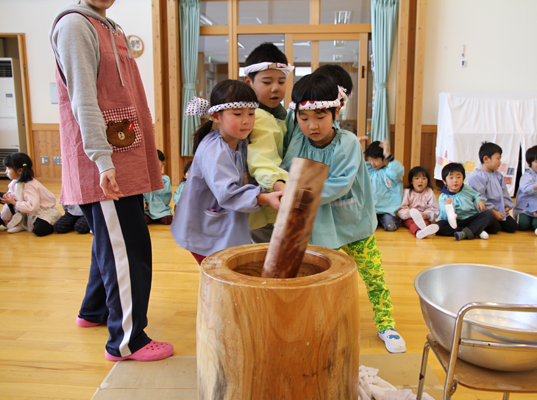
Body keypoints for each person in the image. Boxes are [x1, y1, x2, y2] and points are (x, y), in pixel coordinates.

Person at [50, 0, 173, 361]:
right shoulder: (75, 25)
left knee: (111, 240)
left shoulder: (109, 25)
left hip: (121, 156)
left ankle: (94, 311)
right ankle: (127, 341)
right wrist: (102, 160)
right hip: (103, 164)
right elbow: (83, 99)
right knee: (129, 249)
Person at [282, 73, 406, 353]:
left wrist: (294, 195)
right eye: (303, 117)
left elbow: (338, 184)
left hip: (354, 223)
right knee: (321, 278)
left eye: (320, 116)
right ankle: (320, 325)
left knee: (373, 274)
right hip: (318, 227)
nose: (311, 125)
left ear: (336, 112)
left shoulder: (347, 142)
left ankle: (386, 324)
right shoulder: (299, 141)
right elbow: (288, 169)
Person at [171, 80, 282, 265]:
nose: (246, 120)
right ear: (216, 116)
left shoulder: (240, 141)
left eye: (251, 114)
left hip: (222, 225)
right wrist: (265, 198)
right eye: (237, 114)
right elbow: (228, 193)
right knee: (219, 277)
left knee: (227, 273)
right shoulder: (214, 150)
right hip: (205, 231)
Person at [243, 43, 293, 243]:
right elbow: (260, 160)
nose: (276, 88)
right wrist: (280, 185)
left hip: (263, 203)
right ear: (249, 81)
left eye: (281, 81)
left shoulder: (276, 115)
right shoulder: (260, 117)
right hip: (264, 204)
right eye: (267, 82)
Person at [0, 153, 61, 236]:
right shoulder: (14, 183)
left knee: (39, 230)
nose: (6, 171)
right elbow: (10, 203)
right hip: (21, 210)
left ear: (20, 171)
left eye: (8, 168)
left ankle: (20, 223)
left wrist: (14, 203)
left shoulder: (30, 185)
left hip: (39, 211)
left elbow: (33, 207)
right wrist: (5, 216)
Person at [437, 163, 500, 241]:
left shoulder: (467, 189)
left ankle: (469, 231)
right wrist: (447, 207)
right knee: (438, 226)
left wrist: (479, 200)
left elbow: (476, 195)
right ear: (444, 181)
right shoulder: (443, 197)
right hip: (457, 223)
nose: (455, 180)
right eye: (451, 178)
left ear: (463, 179)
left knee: (490, 216)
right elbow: (444, 217)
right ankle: (474, 231)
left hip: (471, 218)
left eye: (458, 177)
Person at [467, 142, 517, 233]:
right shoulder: (477, 176)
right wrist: (493, 212)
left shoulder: (498, 176)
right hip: (486, 211)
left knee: (512, 226)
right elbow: (480, 198)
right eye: (497, 158)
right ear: (486, 159)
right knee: (494, 228)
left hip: (500, 210)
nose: (500, 162)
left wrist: (506, 207)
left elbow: (505, 193)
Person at [365, 140, 404, 232]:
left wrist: (388, 155)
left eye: (375, 160)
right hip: (370, 209)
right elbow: (354, 164)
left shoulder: (389, 171)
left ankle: (384, 221)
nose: (372, 163)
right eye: (370, 159)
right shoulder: (368, 169)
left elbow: (398, 171)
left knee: (391, 227)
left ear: (384, 159)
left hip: (387, 210)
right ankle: (376, 221)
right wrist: (355, 149)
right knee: (364, 227)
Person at [397, 166, 440, 239]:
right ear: (411, 181)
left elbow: (434, 208)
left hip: (424, 218)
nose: (421, 181)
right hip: (409, 218)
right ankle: (418, 232)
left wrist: (427, 215)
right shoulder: (408, 192)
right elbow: (401, 208)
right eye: (417, 178)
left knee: (425, 222)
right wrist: (410, 214)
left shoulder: (429, 192)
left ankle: (424, 228)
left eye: (424, 178)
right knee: (412, 224)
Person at [143, 150, 173, 225]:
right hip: (148, 209)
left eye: (156, 163)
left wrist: (153, 179)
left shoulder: (165, 179)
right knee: (142, 220)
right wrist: (143, 202)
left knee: (167, 220)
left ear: (163, 164)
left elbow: (159, 191)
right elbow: (142, 193)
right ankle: (150, 217)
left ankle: (159, 217)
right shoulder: (144, 179)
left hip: (161, 209)